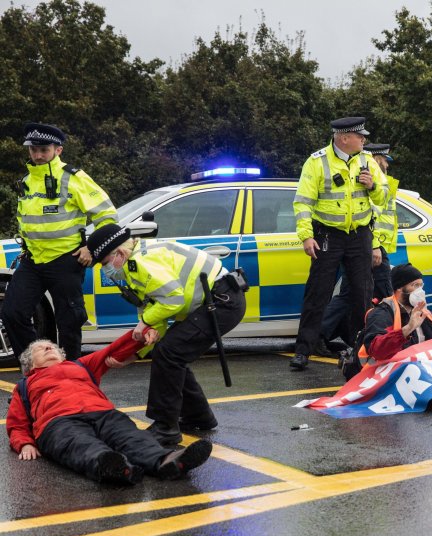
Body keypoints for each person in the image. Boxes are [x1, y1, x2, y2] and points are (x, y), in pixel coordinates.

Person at [85, 224, 247, 447]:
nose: (105, 270)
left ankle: (166, 428)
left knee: (169, 353)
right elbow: (155, 312)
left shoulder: (142, 261)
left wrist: (145, 323)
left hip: (221, 303)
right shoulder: (135, 262)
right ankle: (198, 416)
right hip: (216, 302)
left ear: (120, 254)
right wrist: (137, 354)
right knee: (172, 352)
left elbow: (172, 299)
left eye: (104, 264)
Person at [6, 334, 213, 485]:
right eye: (41, 349)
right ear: (30, 365)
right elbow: (17, 424)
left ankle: (166, 461)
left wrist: (140, 335)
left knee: (129, 435)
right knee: (78, 444)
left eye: (52, 346)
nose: (49, 348)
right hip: (58, 422)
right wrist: (25, 444)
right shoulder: (25, 385)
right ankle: (113, 466)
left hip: (102, 412)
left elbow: (114, 350)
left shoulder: (80, 365)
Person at [1, 123, 118, 361]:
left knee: (69, 323)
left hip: (66, 261)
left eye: (44, 149)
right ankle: (36, 365)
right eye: (33, 150)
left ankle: (71, 372)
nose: (38, 155)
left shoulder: (74, 178)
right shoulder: (27, 180)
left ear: (58, 150)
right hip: (33, 261)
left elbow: (108, 217)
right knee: (13, 313)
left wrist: (91, 249)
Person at [289, 117, 387, 371]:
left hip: (360, 234)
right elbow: (302, 202)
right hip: (327, 235)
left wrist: (373, 185)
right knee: (317, 293)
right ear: (344, 138)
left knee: (362, 294)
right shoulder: (317, 161)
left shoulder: (367, 160)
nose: (364, 140)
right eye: (360, 136)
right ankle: (303, 350)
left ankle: (362, 350)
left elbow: (384, 198)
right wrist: (306, 235)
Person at [354, 263, 432, 413]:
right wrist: (407, 329)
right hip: (385, 374)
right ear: (400, 289)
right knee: (415, 372)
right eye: (415, 285)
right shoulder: (382, 313)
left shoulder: (423, 313)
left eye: (421, 285)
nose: (420, 290)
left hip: (419, 367)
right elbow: (377, 349)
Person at [315, 142, 399, 355]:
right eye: (384, 161)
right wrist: (376, 246)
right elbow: (372, 218)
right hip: (371, 248)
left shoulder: (379, 182)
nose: (386, 166)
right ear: (374, 158)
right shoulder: (363, 182)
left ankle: (330, 334)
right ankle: (392, 339)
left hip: (371, 247)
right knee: (389, 296)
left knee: (351, 295)